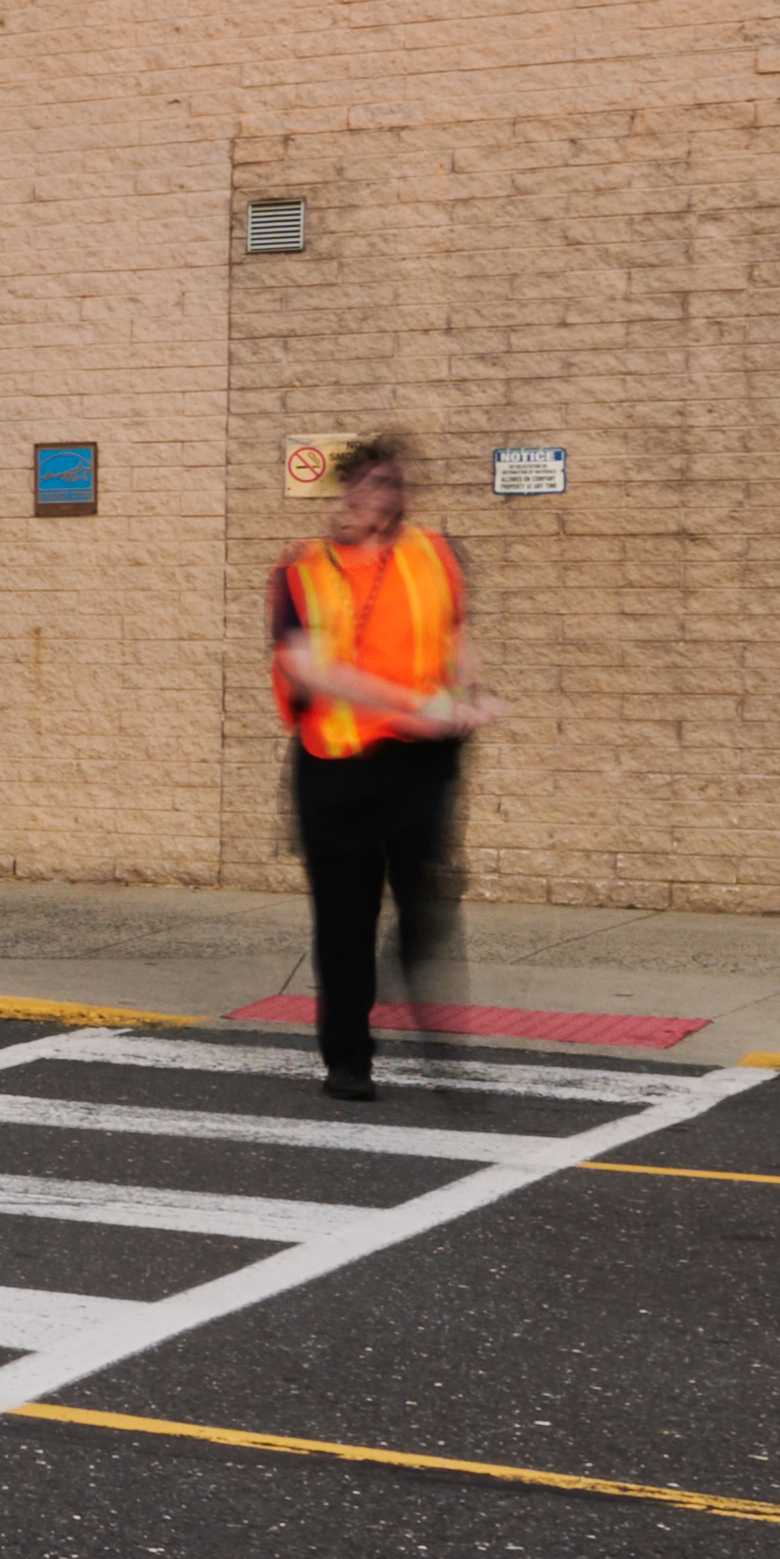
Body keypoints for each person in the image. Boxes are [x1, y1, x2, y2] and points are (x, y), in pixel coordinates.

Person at [268, 430, 487, 1093]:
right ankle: (348, 1058)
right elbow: (311, 667)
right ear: (346, 493)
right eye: (368, 486)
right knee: (345, 919)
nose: (380, 498)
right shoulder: (302, 569)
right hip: (335, 766)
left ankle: (414, 981)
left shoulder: (437, 554)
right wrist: (413, 704)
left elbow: (456, 637)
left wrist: (467, 699)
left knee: (424, 901)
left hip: (420, 764)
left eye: (393, 485)